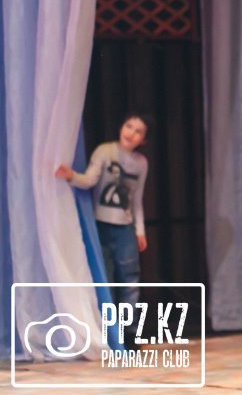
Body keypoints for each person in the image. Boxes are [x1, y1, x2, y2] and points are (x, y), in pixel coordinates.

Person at [56, 114, 151, 344]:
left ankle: (130, 334)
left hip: (125, 229)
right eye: (129, 126)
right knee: (105, 280)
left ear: (143, 140)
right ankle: (110, 334)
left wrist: (140, 230)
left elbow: (137, 200)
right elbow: (89, 180)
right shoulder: (105, 151)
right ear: (121, 126)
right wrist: (71, 176)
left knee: (129, 281)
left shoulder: (141, 163)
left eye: (138, 131)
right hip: (101, 225)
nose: (131, 133)